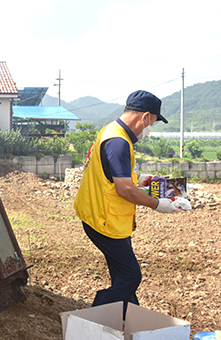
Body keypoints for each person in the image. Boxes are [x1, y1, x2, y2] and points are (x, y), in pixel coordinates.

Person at [74, 90, 181, 317]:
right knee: (131, 276)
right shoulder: (118, 142)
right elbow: (124, 189)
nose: (150, 128)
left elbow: (112, 175)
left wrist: (140, 180)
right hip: (105, 221)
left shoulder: (111, 132)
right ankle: (91, 320)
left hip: (99, 216)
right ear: (144, 117)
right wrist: (157, 204)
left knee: (123, 277)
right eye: (152, 122)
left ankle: (127, 319)